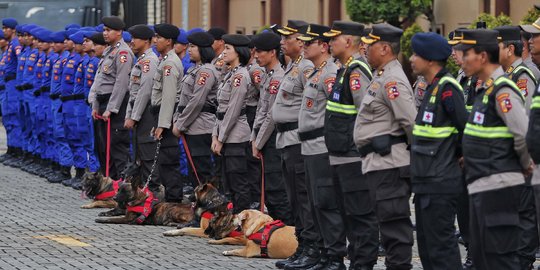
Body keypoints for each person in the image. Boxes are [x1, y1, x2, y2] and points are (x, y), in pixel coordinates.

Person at [458, 28, 533, 270]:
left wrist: (522, 167)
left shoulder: (503, 91)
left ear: (482, 57)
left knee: (499, 259)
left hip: (499, 185)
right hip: (482, 184)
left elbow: (522, 134)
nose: (461, 57)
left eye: (466, 52)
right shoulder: (486, 90)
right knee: (484, 258)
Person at [355, 23, 417, 270]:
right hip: (378, 164)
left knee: (394, 227)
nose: (365, 50)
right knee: (387, 225)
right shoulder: (381, 75)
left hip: (390, 164)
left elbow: (411, 123)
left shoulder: (392, 81)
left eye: (369, 46)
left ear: (384, 48)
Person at [409, 32, 467, 270]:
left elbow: (464, 127)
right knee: (426, 246)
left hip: (441, 181)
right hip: (425, 180)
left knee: (441, 247)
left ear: (431, 60)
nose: (411, 59)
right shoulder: (432, 87)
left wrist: (460, 158)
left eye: (416, 54)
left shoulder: (447, 88)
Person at [496, 25, 539, 270]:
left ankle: (523, 260)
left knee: (525, 212)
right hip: (511, 157)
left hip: (525, 156)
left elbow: (526, 117)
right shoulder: (505, 74)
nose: (530, 41)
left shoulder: (522, 75)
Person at [273, 18, 312, 243]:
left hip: (297, 139)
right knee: (294, 197)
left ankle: (307, 245)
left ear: (300, 40)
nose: (282, 41)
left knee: (301, 196)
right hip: (286, 139)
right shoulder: (293, 65)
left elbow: (312, 105)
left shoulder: (306, 67)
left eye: (287, 37)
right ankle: (301, 245)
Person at [251, 32, 290, 221]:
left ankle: (287, 234)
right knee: (269, 191)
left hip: (273, 139)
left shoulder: (278, 78)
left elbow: (271, 115)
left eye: (259, 51)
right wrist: (254, 138)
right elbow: (260, 110)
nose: (256, 55)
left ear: (272, 52)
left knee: (276, 191)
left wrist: (258, 142)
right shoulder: (268, 76)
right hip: (263, 139)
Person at [89, 16, 134, 180]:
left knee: (116, 148)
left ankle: (121, 187)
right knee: (104, 147)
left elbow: (121, 84)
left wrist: (111, 108)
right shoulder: (109, 50)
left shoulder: (123, 53)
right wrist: (95, 105)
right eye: (104, 30)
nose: (105, 34)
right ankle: (110, 185)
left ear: (119, 32)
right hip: (102, 103)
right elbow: (99, 80)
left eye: (108, 30)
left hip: (114, 106)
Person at [211, 34, 252, 213]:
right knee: (228, 181)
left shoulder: (241, 76)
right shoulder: (229, 74)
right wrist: (215, 135)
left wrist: (221, 137)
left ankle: (241, 219)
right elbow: (220, 109)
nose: (224, 52)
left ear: (238, 52)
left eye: (228, 48)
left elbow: (233, 110)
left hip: (236, 135)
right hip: (224, 133)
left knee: (238, 182)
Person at [172, 31, 218, 187]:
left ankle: (207, 204)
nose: (189, 50)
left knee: (201, 168)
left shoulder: (206, 71)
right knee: (194, 169)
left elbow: (197, 101)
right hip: (192, 125)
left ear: (203, 50)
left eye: (193, 46)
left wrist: (181, 124)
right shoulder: (194, 69)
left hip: (201, 126)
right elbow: (183, 99)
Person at [150, 23, 183, 202]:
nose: (155, 41)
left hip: (167, 119)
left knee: (169, 160)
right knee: (164, 160)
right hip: (162, 115)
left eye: (159, 37)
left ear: (169, 41)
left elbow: (169, 97)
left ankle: (173, 200)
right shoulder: (165, 60)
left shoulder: (170, 63)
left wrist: (163, 124)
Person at [124, 24, 160, 189]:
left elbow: (145, 92)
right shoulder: (141, 60)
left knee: (147, 155)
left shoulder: (150, 62)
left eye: (135, 38)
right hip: (139, 112)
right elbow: (133, 93)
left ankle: (151, 193)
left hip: (146, 114)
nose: (131, 42)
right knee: (139, 155)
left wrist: (134, 116)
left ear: (146, 41)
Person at [60, 30, 85, 187]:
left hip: (79, 103)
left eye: (76, 43)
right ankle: (79, 173)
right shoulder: (71, 58)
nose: (69, 44)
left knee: (81, 139)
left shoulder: (82, 60)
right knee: (72, 137)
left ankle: (84, 173)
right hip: (70, 102)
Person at [0, 18, 22, 165]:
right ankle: (11, 150)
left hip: (13, 85)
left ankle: (17, 151)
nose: (4, 31)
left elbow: (21, 64)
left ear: (13, 29)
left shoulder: (15, 45)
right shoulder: (9, 47)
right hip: (8, 86)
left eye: (5, 28)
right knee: (8, 119)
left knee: (14, 118)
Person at [245, 35, 263, 208]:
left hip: (253, 111)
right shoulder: (248, 67)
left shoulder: (255, 70)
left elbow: (263, 91)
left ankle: (256, 196)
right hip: (249, 113)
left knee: (252, 160)